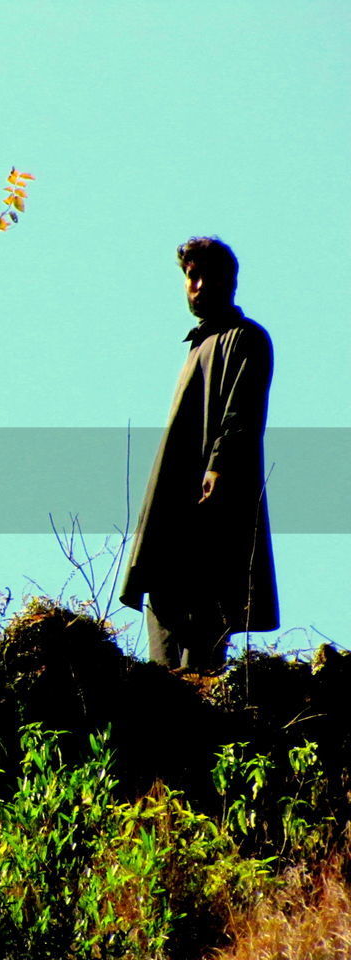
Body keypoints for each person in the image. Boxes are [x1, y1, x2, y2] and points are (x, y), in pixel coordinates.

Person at [119, 236, 278, 671]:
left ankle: (199, 688)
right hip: (174, 496)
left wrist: (219, 467)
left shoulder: (246, 339)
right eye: (192, 277)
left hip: (212, 495)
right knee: (165, 592)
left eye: (211, 276)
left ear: (232, 282)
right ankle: (168, 692)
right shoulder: (197, 347)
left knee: (208, 591)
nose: (200, 285)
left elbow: (242, 413)